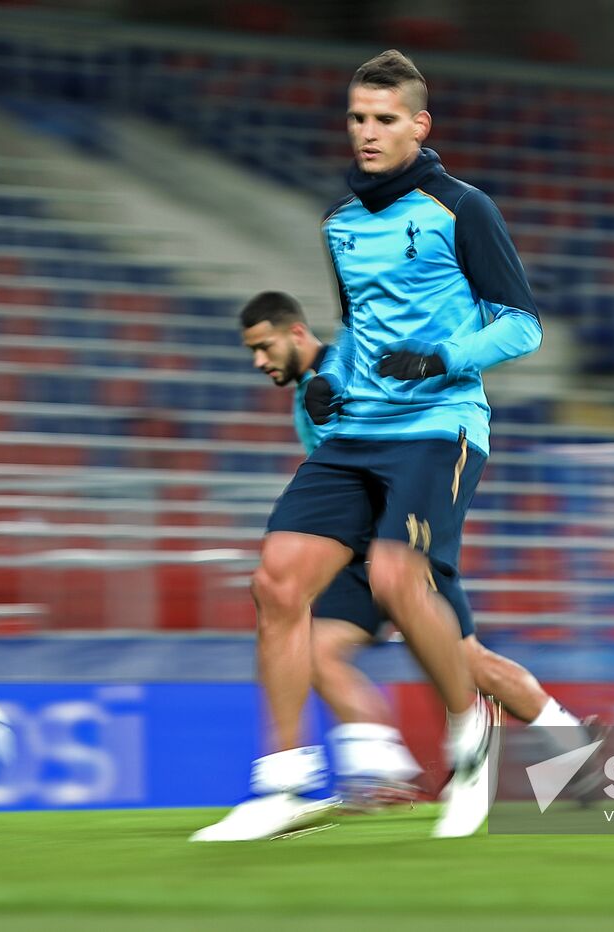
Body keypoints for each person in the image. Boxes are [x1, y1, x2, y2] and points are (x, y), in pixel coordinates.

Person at [194, 50, 544, 841]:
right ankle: (283, 785)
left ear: (419, 125)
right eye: (357, 117)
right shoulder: (339, 223)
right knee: (277, 584)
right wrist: (332, 379)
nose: (367, 132)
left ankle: (470, 733)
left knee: (395, 574)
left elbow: (523, 324)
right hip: (358, 431)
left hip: (439, 426)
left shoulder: (463, 208)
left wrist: (444, 358)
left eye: (384, 118)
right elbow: (358, 328)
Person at [233, 291, 599, 809]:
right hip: (360, 547)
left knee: (464, 657)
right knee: (315, 648)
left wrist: (399, 564)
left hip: (396, 535)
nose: (259, 361)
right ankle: (386, 773)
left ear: (296, 333)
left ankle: (567, 741)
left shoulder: (353, 367)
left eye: (264, 347)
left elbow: (399, 459)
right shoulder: (309, 397)